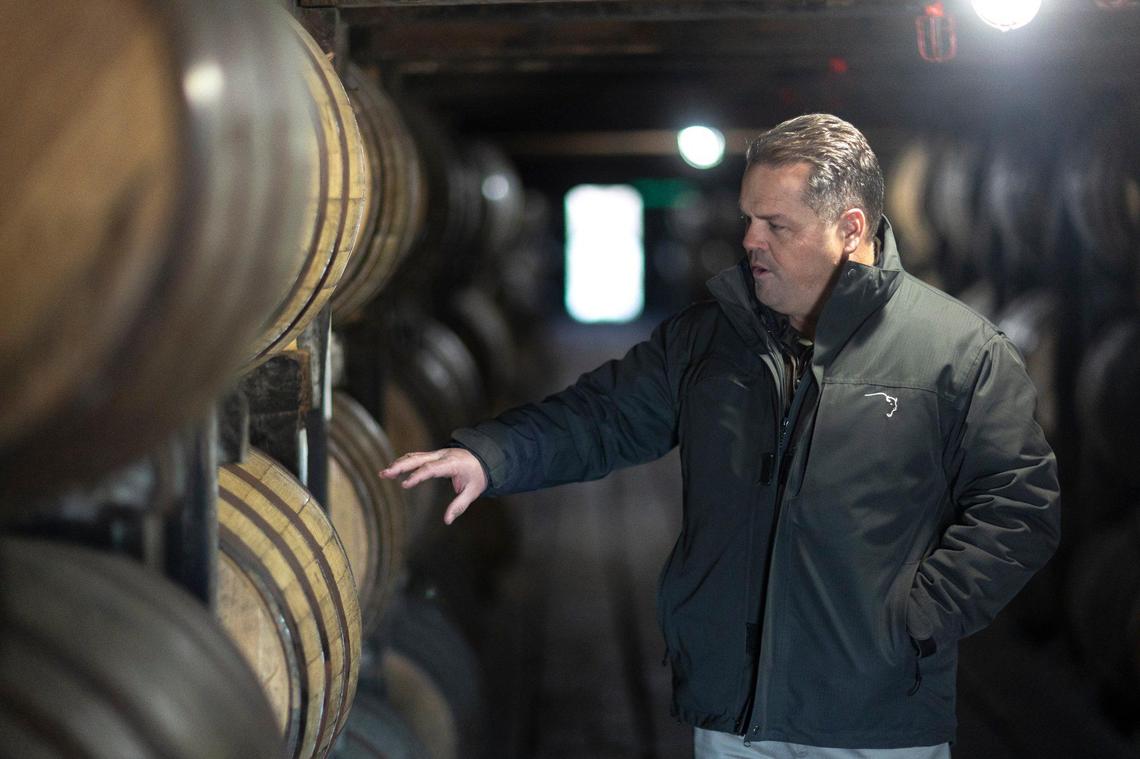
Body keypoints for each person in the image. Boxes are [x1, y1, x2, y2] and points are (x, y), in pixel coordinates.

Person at [380, 114, 1061, 758]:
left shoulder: (955, 349)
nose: (749, 240)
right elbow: (604, 416)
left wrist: (914, 619)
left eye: (775, 223)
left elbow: (1020, 501)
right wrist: (490, 454)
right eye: (747, 218)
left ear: (850, 228)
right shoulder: (715, 339)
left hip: (875, 720)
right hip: (739, 711)